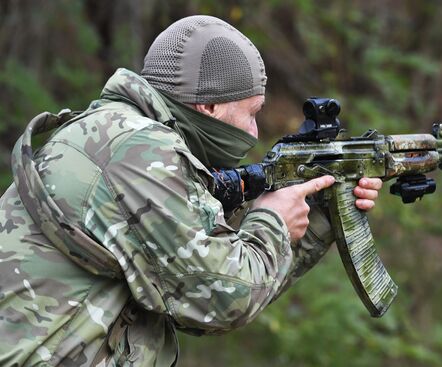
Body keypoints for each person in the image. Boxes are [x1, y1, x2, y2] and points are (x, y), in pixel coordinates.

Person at [0, 15, 382, 366]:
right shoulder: (140, 150)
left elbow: (193, 304)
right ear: (210, 104)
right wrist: (273, 219)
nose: (253, 132)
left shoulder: (114, 134)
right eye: (252, 112)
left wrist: (319, 212)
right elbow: (223, 299)